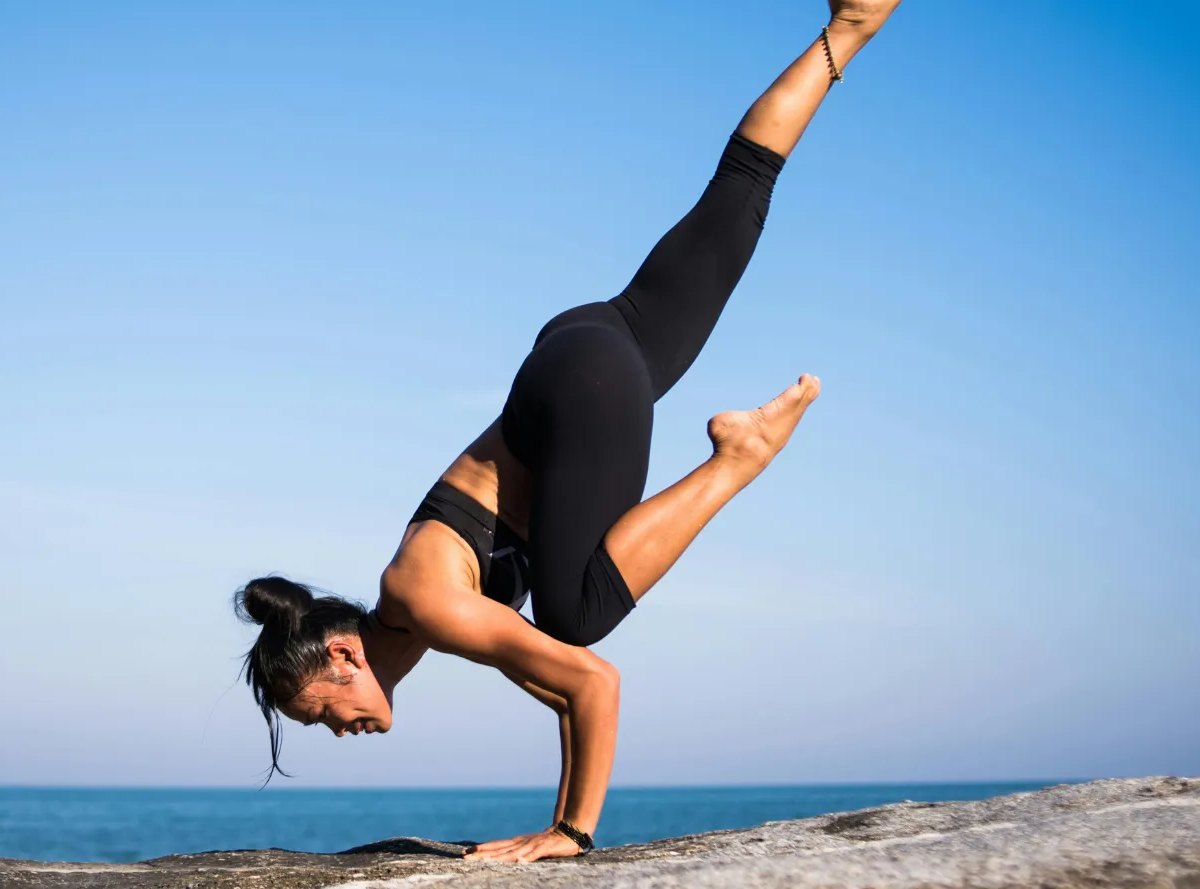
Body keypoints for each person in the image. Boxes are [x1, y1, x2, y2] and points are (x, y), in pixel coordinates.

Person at [232, 0, 902, 863]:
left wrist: (567, 833)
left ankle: (737, 458)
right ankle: (849, 29)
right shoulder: (423, 617)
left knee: (575, 616)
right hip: (587, 348)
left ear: (339, 655)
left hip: (583, 389)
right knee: (737, 197)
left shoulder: (422, 597)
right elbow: (551, 688)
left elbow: (589, 680)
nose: (337, 730)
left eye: (321, 711)